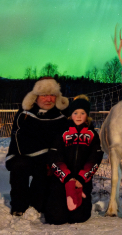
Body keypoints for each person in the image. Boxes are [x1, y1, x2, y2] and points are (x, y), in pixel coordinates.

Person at [6, 78, 68, 216]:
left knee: (39, 206)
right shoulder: (25, 115)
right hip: (27, 158)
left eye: (52, 95)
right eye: (44, 95)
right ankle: (19, 205)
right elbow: (20, 140)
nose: (48, 99)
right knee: (19, 166)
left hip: (49, 162)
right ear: (35, 97)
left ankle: (37, 202)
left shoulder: (61, 117)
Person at [44, 95, 104, 225]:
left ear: (87, 115)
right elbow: (54, 157)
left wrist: (81, 178)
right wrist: (68, 178)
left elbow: (95, 159)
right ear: (71, 114)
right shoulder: (61, 132)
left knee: (79, 217)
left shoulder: (93, 135)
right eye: (75, 112)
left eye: (82, 113)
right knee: (56, 218)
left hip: (82, 182)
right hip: (62, 180)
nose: (78, 116)